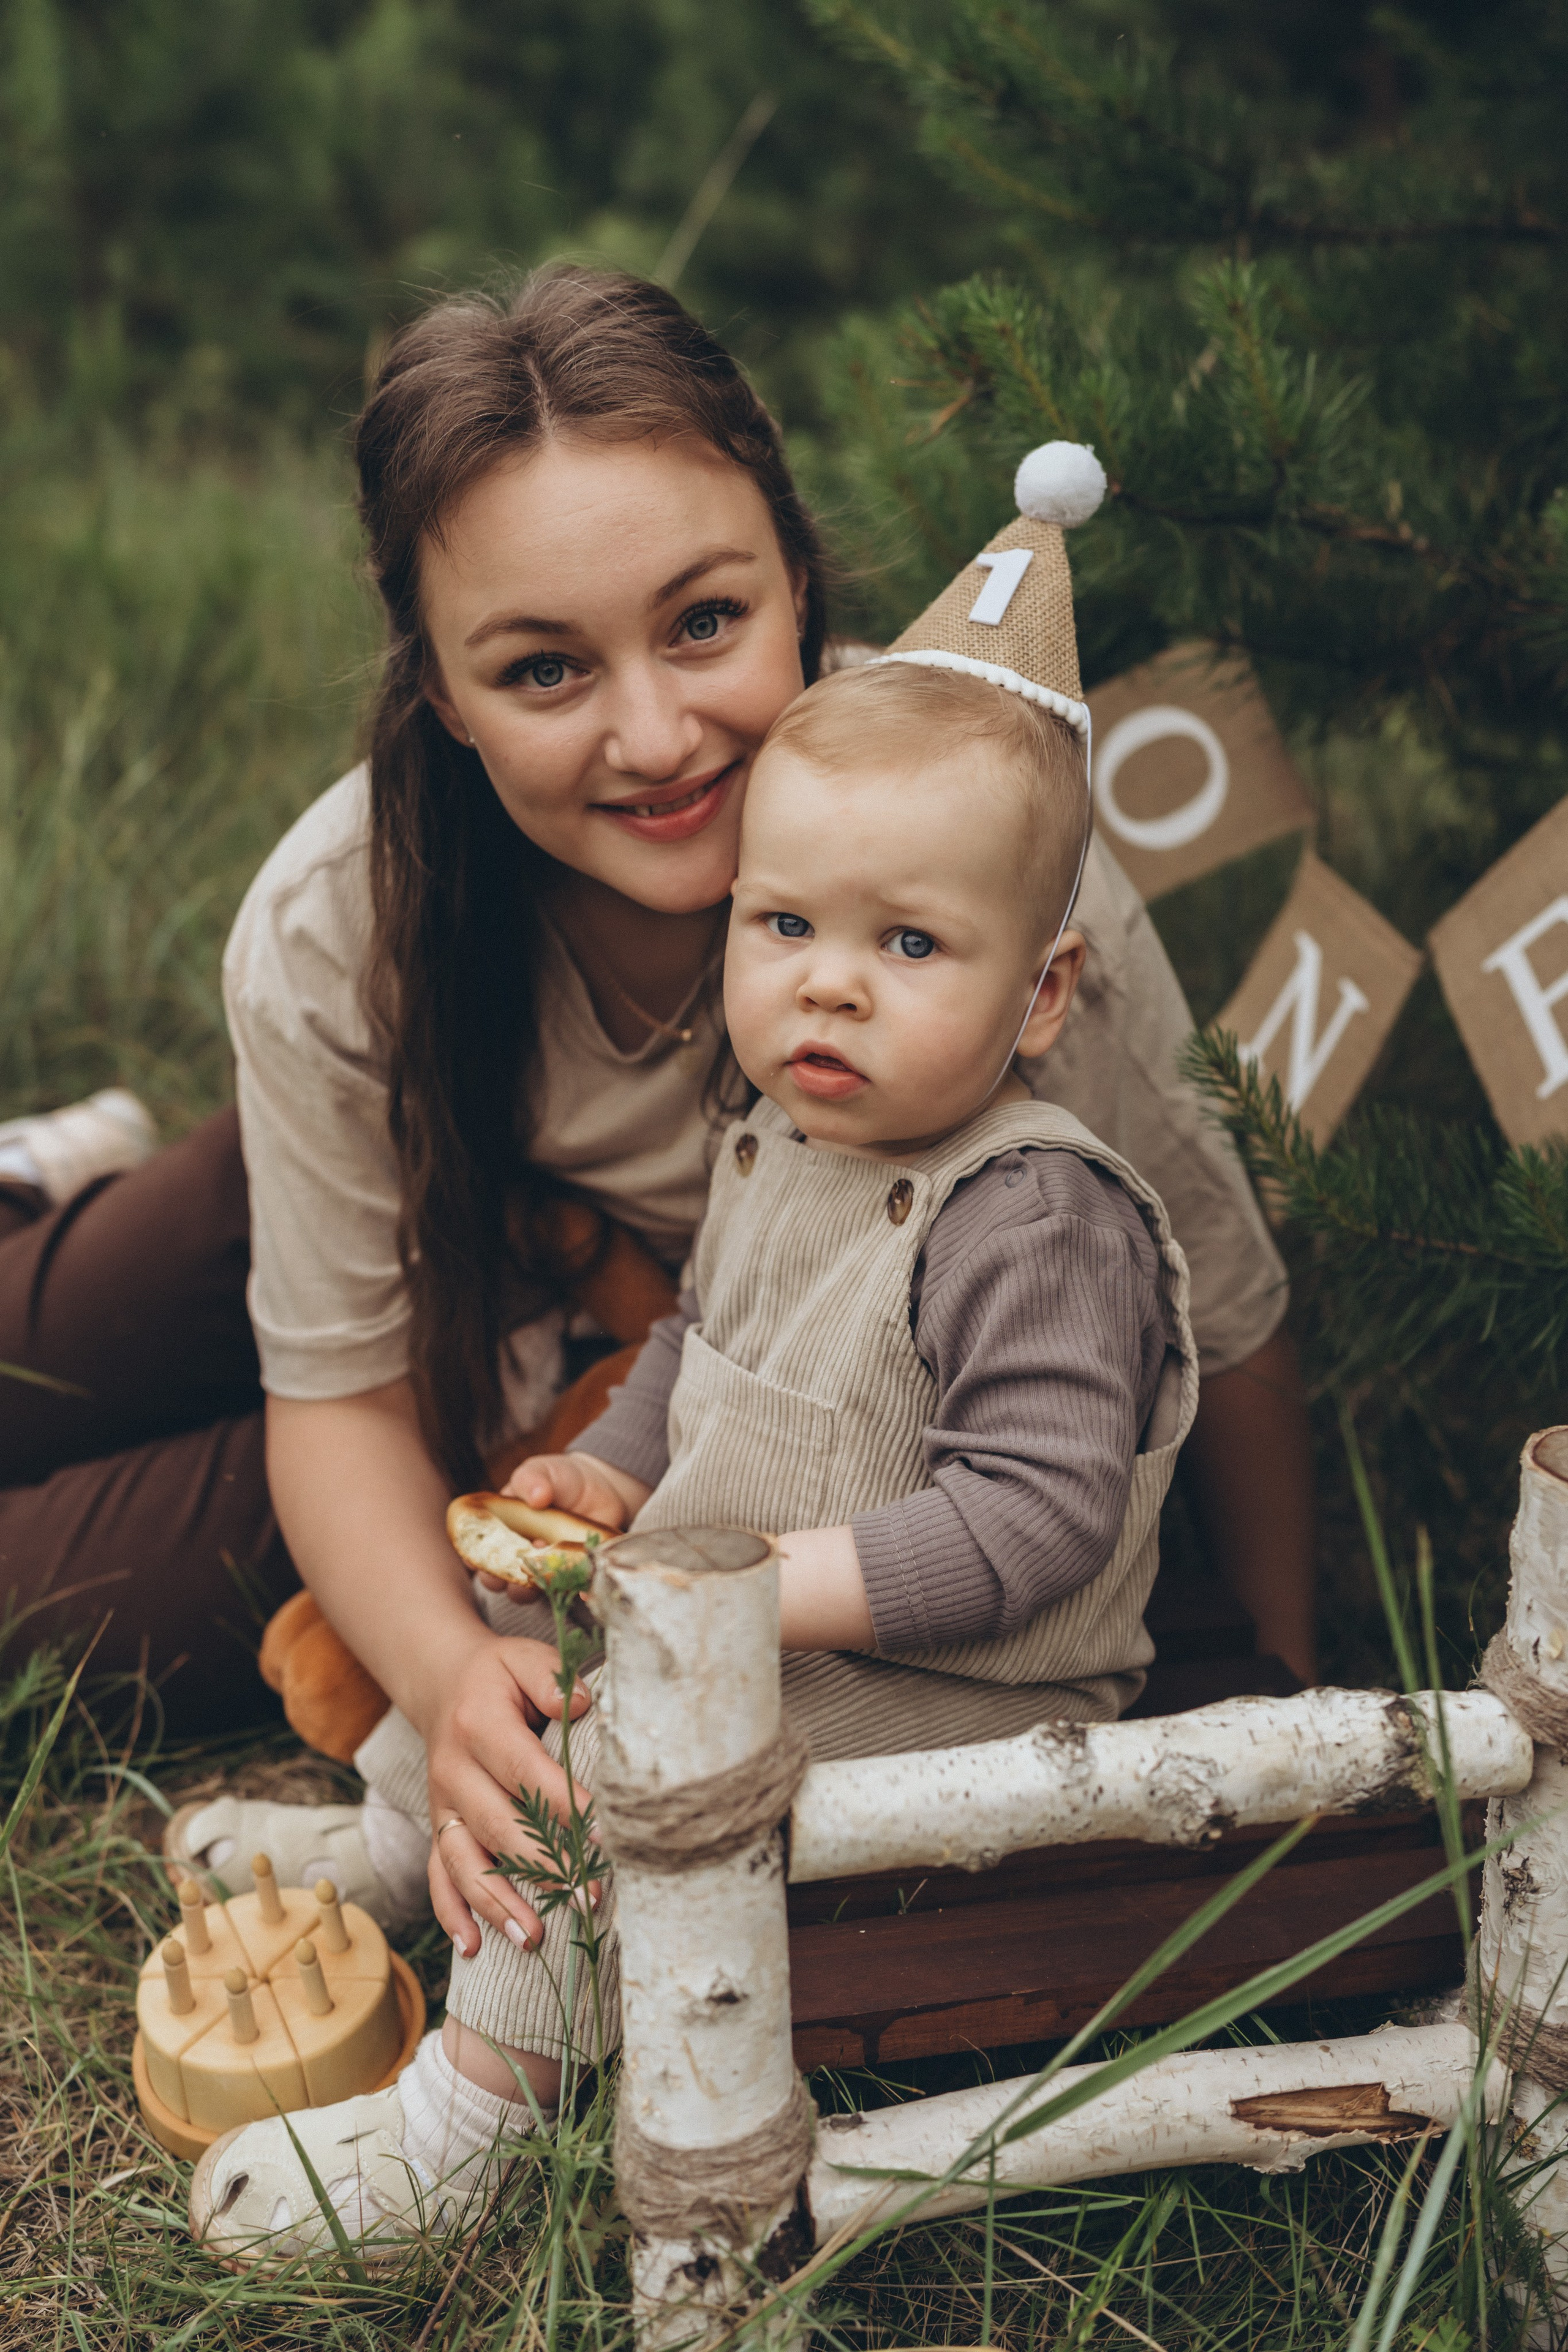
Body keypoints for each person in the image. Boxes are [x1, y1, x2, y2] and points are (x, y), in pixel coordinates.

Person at [0, 266, 1309, 1831]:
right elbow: (328, 1386)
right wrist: (442, 1686)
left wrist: (1281, 1687)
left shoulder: (985, 894)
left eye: (704, 623)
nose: (658, 738)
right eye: (543, 667)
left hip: (539, 1372)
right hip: (399, 1198)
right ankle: (44, 1192)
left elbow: (1216, 1320)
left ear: (798, 584)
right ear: (442, 692)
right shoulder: (337, 920)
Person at [189, 471, 1204, 2260]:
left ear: (1044, 995)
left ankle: (475, 2114)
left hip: (956, 1684)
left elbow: (1035, 1526)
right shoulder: (787, 1134)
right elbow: (698, 1339)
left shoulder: (1035, 1212)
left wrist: (749, 1591)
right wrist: (621, 1475)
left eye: (908, 948)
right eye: (784, 927)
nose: (826, 992)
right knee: (513, 1658)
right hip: (741, 1602)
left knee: (639, 1779)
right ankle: (401, 1825)